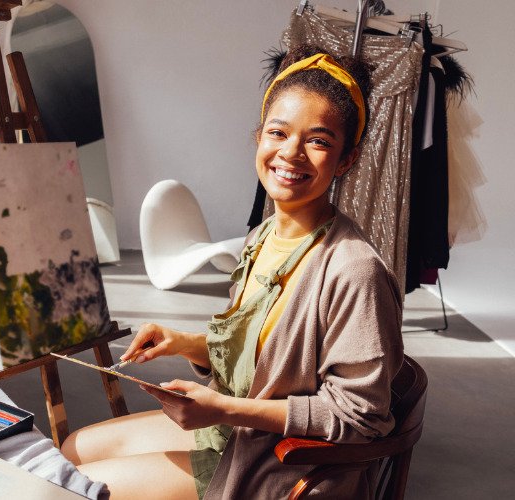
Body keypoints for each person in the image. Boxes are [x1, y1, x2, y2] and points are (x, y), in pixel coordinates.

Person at [60, 44, 404, 499]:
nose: (292, 153)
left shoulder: (354, 270)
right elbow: (261, 362)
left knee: (74, 489)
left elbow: (361, 416)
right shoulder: (262, 237)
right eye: (278, 133)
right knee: (72, 449)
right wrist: (186, 345)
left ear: (347, 159)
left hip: (283, 466)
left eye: (318, 141)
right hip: (238, 436)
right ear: (259, 137)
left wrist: (225, 409)